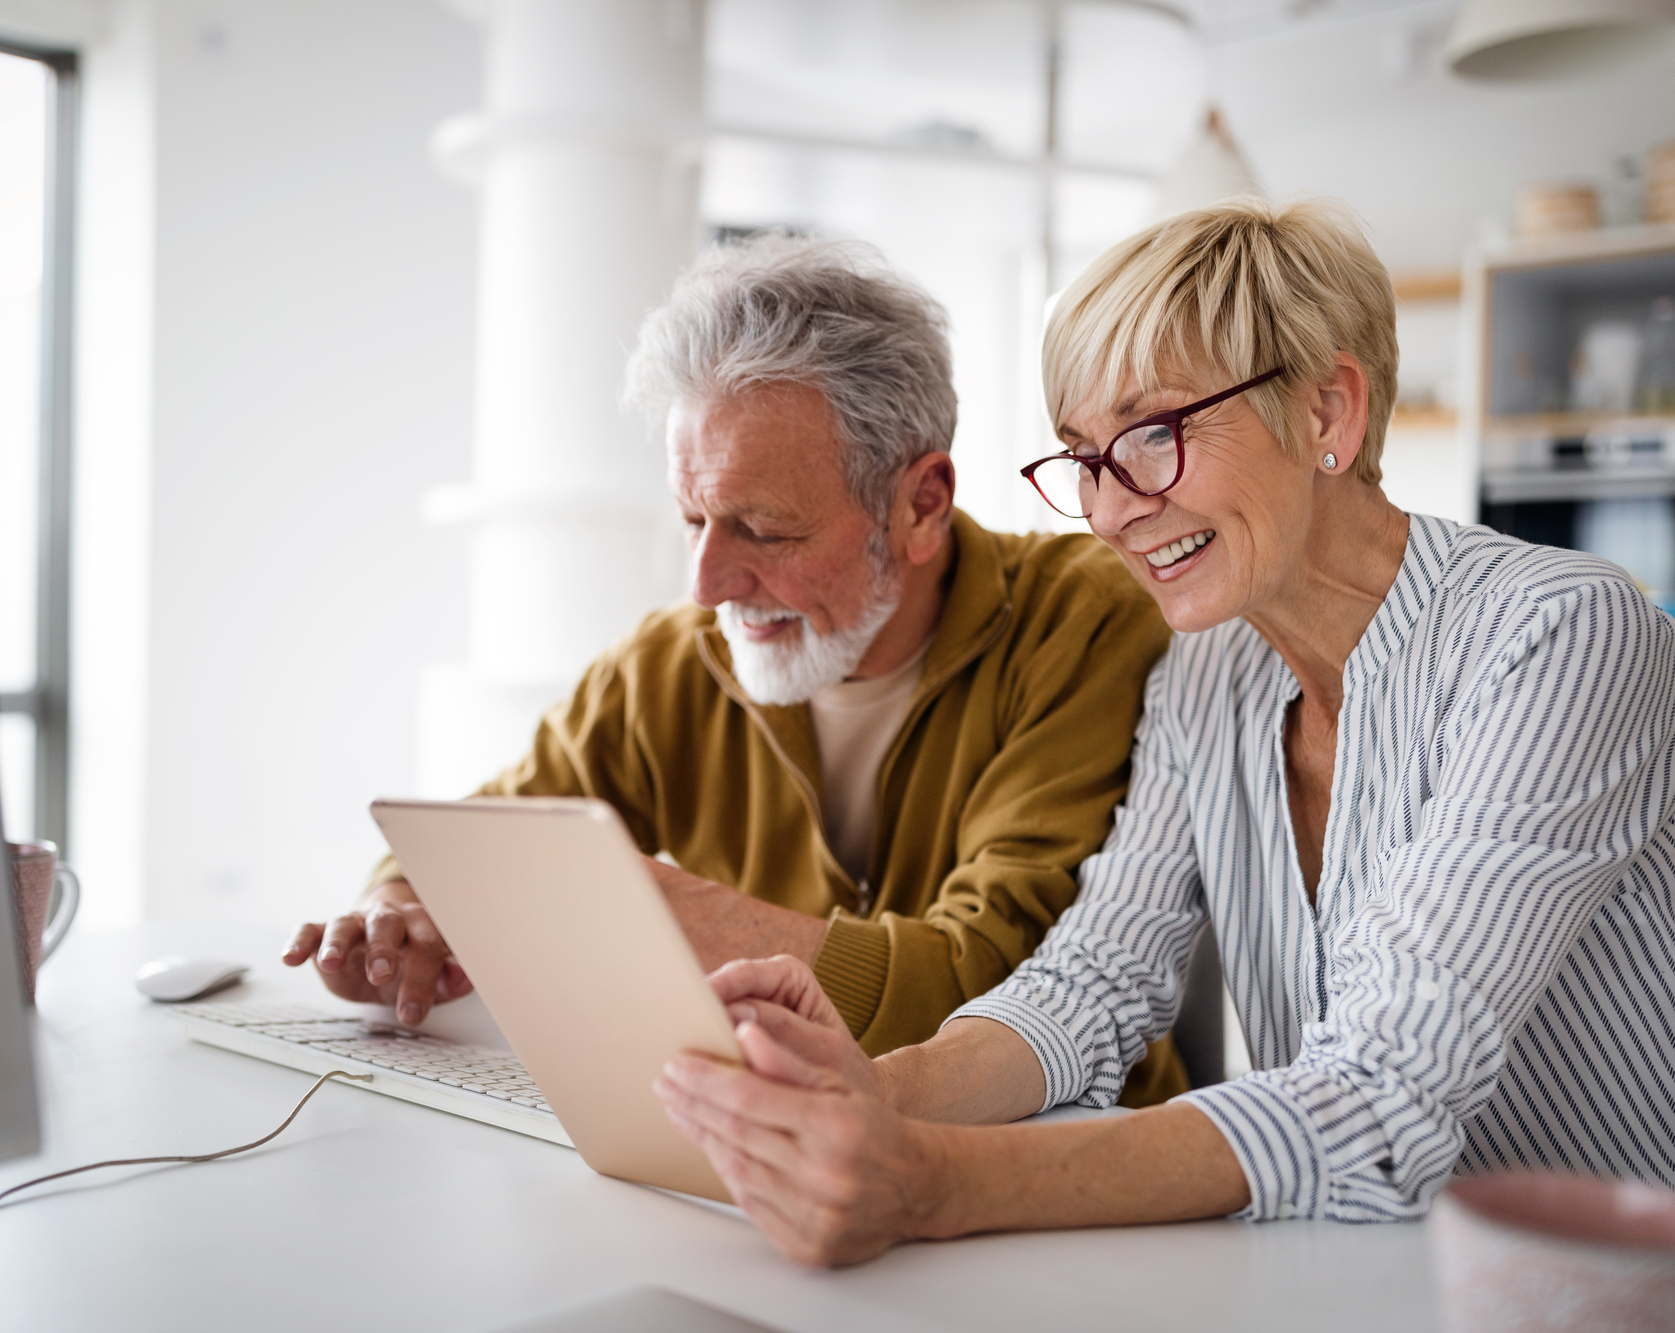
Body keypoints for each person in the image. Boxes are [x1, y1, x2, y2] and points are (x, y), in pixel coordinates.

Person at [651, 198, 1675, 1267]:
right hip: (1356, 1281)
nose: (1108, 509)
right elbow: (1091, 984)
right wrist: (873, 1087)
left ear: (1325, 411)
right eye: (1084, 456)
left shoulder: (1559, 635)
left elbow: (1377, 1095)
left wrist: (927, 1180)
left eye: (1152, 436)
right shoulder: (1209, 670)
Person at [284, 237, 1186, 1098]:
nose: (708, 584)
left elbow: (1006, 982)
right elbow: (477, 840)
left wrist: (666, 909)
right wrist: (399, 907)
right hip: (769, 1147)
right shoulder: (669, 665)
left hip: (1057, 1167)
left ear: (921, 504)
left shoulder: (1079, 620)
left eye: (762, 528)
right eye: (692, 519)